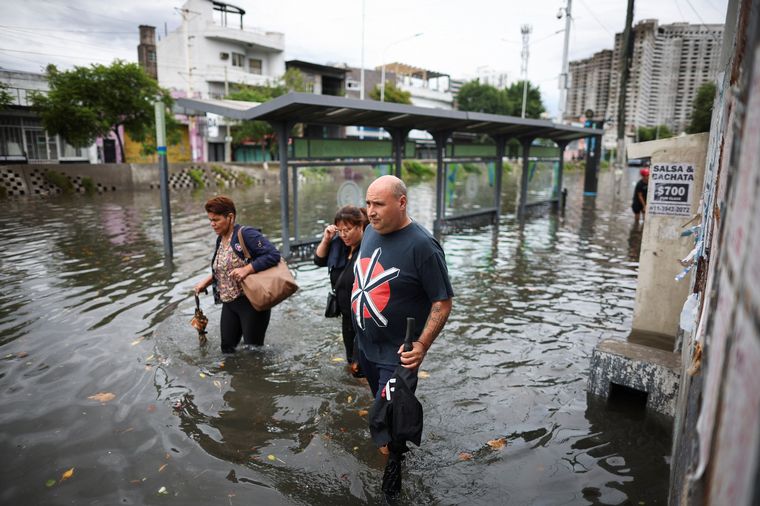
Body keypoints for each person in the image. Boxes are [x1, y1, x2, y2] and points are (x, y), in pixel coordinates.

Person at [353, 175, 454, 500]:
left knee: (385, 424)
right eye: (368, 203)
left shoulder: (423, 246)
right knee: (381, 420)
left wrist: (422, 344)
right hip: (367, 349)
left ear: (401, 202)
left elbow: (442, 301)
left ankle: (393, 483)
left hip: (398, 357)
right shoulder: (369, 231)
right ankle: (388, 453)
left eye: (378, 204)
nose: (370, 211)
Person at [194, 196, 280, 353]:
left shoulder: (246, 234)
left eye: (216, 220)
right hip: (229, 303)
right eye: (210, 220)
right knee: (227, 349)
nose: (212, 224)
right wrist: (207, 281)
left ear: (230, 217)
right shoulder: (220, 239)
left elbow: (273, 255)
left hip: (251, 303)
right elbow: (224, 269)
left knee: (253, 353)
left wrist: (247, 269)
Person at [314, 205, 369, 377]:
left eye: (348, 230)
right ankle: (358, 396)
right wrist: (327, 239)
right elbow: (318, 260)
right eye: (341, 230)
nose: (344, 234)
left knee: (361, 366)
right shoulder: (339, 246)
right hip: (347, 315)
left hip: (365, 317)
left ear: (361, 227)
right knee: (350, 361)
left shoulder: (369, 248)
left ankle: (371, 397)